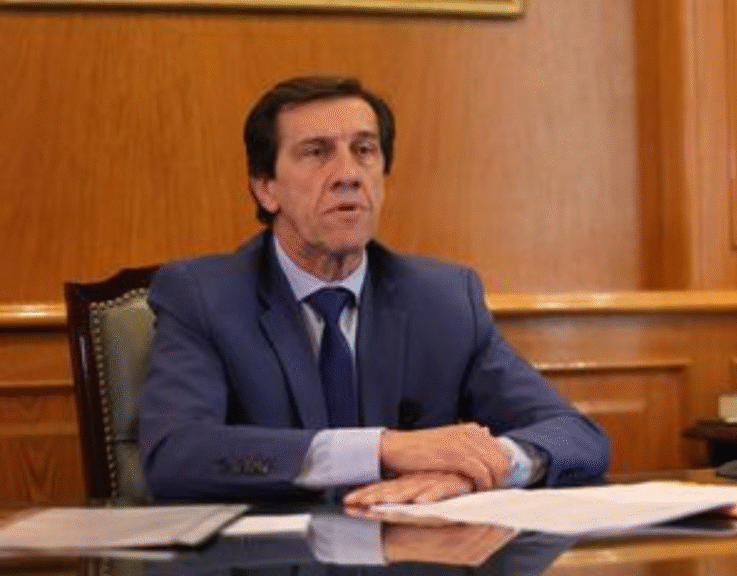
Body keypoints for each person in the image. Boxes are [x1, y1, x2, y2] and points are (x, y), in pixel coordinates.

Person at [138, 75, 610, 505]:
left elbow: (577, 436)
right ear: (266, 189)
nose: (348, 174)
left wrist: (483, 468)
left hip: (409, 552)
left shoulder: (444, 300)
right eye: (316, 152)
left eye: (364, 150)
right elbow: (175, 455)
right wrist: (383, 448)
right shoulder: (203, 296)